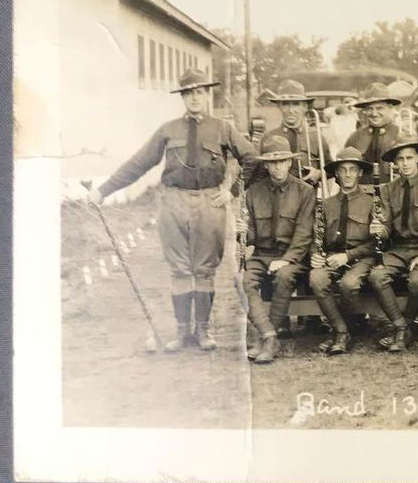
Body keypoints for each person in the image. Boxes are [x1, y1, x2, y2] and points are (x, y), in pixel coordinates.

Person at [89, 67, 257, 352]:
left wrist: (230, 191)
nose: (195, 98)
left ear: (207, 94)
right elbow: (138, 163)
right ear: (182, 97)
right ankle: (182, 332)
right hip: (173, 202)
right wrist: (103, 190)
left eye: (200, 92)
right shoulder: (168, 130)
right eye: (189, 93)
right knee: (179, 269)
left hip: (209, 202)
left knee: (204, 269)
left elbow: (251, 158)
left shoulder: (222, 128)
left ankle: (203, 331)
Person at [237, 135, 316, 364]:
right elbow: (250, 236)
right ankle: (270, 335)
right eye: (272, 162)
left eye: (282, 161)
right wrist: (242, 230)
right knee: (242, 280)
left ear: (290, 162)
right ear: (266, 164)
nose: (277, 166)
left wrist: (288, 259)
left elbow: (304, 233)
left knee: (283, 276)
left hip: (293, 257)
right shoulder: (253, 192)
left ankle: (265, 340)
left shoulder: (305, 192)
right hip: (262, 255)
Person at [365, 135, 418, 352]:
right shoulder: (388, 190)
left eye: (409, 157)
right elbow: (387, 226)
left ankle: (405, 326)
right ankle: (402, 328)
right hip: (398, 249)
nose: (405, 163)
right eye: (400, 159)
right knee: (376, 276)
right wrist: (379, 229)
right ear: (395, 163)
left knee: (417, 281)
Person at [307, 146, 378, 356]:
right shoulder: (326, 205)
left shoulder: (371, 202)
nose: (347, 174)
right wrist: (316, 254)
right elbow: (316, 236)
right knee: (317, 279)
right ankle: (342, 331)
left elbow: (377, 243)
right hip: (331, 257)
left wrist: (348, 256)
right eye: (343, 170)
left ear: (360, 173)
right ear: (336, 174)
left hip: (361, 257)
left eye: (353, 169)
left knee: (349, 284)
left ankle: (342, 330)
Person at [257, 79, 331, 186]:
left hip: (308, 199)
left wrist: (319, 173)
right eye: (286, 104)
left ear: (304, 107)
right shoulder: (268, 137)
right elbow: (260, 174)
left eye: (296, 104)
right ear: (279, 107)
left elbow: (330, 168)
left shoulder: (316, 136)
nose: (291, 110)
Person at [343, 82, 403, 185]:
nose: (374, 114)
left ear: (390, 108)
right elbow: (343, 170)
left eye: (379, 108)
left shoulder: (402, 135)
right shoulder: (355, 137)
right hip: (363, 196)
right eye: (369, 109)